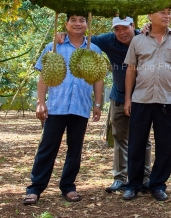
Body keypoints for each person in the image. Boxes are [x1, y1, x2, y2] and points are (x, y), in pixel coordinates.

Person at [57, 16, 153, 194]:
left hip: (143, 97)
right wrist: (64, 33)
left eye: (125, 28)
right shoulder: (108, 40)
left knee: (143, 139)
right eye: (117, 29)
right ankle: (120, 177)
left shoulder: (146, 36)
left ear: (133, 26)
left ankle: (145, 177)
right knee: (120, 138)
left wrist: (152, 25)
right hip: (118, 97)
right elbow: (83, 39)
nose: (121, 33)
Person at [23, 14, 104, 205]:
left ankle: (68, 187)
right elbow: (43, 76)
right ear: (66, 24)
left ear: (87, 24)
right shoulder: (53, 47)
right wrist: (40, 102)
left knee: (75, 150)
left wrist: (97, 103)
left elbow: (99, 78)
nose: (77, 24)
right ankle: (35, 188)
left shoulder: (94, 50)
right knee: (47, 147)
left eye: (82, 20)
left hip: (81, 106)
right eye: (73, 20)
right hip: (56, 107)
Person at [122, 7, 171, 202]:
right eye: (162, 12)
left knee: (166, 146)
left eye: (169, 12)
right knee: (136, 144)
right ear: (150, 16)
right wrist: (128, 98)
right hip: (141, 99)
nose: (167, 15)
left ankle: (158, 184)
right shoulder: (138, 40)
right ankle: (133, 185)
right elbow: (130, 70)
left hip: (168, 101)